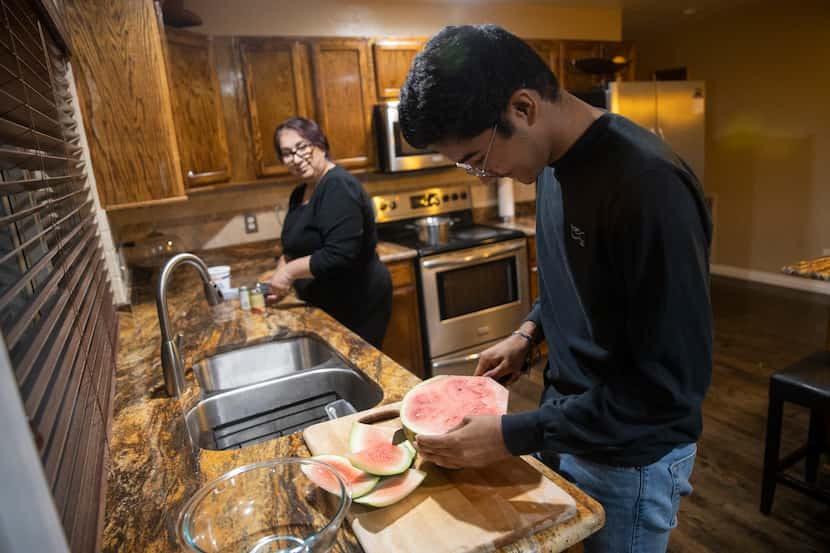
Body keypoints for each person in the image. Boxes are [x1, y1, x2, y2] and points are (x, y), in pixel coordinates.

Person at [398, 25, 712, 553]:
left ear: (522, 108)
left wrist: (507, 435)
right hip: (567, 426)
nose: (482, 175)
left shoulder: (648, 188)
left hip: (628, 460)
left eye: (476, 157)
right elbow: (581, 281)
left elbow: (669, 389)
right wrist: (529, 332)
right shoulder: (548, 163)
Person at [269, 117, 392, 348]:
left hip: (356, 303)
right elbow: (292, 247)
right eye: (286, 153)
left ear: (321, 145)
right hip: (324, 301)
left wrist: (287, 274)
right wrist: (279, 279)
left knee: (358, 371)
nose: (296, 158)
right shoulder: (300, 192)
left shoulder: (338, 186)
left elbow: (340, 254)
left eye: (302, 147)